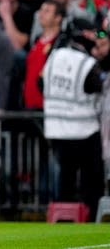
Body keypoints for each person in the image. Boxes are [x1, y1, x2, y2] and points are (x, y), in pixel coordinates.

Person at [42, 18, 106, 220]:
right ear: (84, 34)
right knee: (91, 180)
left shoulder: (53, 56)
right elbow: (97, 87)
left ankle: (63, 219)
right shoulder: (86, 63)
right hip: (83, 129)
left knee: (65, 180)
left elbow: (39, 82)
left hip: (55, 129)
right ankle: (90, 217)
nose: (96, 38)